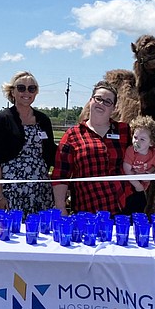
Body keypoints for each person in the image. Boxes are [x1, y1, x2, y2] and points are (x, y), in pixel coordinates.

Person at [52, 82, 131, 215]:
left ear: (114, 108)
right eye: (98, 99)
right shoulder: (72, 134)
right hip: (87, 210)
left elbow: (145, 154)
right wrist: (61, 207)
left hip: (123, 209)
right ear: (90, 101)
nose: (101, 103)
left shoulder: (124, 131)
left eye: (107, 102)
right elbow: (60, 174)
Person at [0, 71, 56, 215]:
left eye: (32, 88)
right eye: (21, 88)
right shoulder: (2, 119)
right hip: (9, 191)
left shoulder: (43, 120)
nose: (27, 92)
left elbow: (51, 153)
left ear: (36, 92)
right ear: (12, 91)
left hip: (39, 191)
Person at [121, 115, 155, 214]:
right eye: (135, 137)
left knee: (141, 207)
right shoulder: (130, 151)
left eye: (142, 139)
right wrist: (137, 184)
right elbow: (127, 169)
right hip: (131, 185)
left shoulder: (154, 154)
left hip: (143, 187)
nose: (137, 141)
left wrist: (151, 176)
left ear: (151, 142)